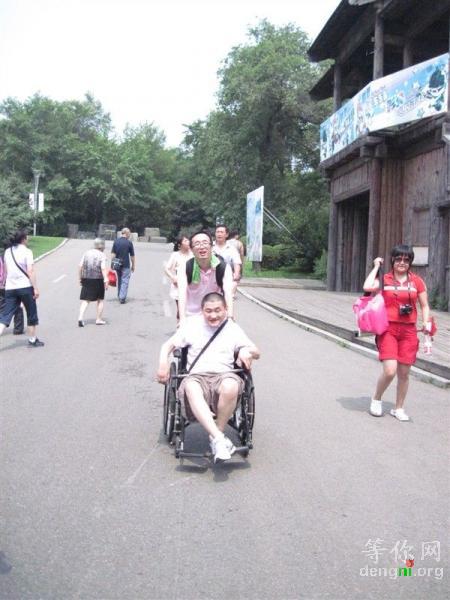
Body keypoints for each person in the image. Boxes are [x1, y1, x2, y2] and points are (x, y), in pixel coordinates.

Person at [157, 292, 260, 463]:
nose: (213, 315)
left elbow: (256, 351)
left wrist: (246, 351)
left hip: (224, 375)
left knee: (231, 386)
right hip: (197, 376)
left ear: (225, 309)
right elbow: (167, 345)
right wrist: (163, 363)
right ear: (202, 311)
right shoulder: (192, 326)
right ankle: (219, 439)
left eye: (218, 310)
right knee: (191, 387)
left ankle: (216, 437)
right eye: (209, 311)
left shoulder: (232, 328)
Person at [363, 244, 430, 421]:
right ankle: (376, 399)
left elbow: (424, 305)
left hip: (409, 331)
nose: (402, 262)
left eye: (406, 260)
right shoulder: (384, 279)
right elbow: (367, 286)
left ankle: (398, 408)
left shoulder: (417, 281)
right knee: (390, 370)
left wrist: (426, 322)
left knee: (404, 373)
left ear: (410, 262)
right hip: (388, 330)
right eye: (398, 259)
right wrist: (376, 266)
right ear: (392, 260)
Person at [177, 230, 234, 322]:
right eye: (197, 243)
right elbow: (181, 294)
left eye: (205, 243)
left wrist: (230, 316)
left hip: (215, 316)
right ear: (191, 249)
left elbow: (228, 293)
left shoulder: (223, 267)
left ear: (212, 246)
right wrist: (182, 319)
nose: (202, 246)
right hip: (191, 316)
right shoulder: (185, 268)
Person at [0, 230, 44, 347]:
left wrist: (5, 284)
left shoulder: (8, 252)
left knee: (5, 315)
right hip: (25, 287)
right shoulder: (27, 252)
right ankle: (32, 339)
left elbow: (6, 271)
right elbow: (30, 271)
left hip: (10, 288)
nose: (28, 239)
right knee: (31, 313)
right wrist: (35, 288)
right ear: (23, 239)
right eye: (27, 237)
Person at [78, 238, 109, 327]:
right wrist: (106, 279)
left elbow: (80, 266)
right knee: (100, 300)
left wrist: (80, 278)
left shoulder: (86, 253)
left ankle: (80, 318)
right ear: (102, 246)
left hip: (86, 278)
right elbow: (103, 268)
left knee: (86, 300)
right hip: (98, 279)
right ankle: (98, 319)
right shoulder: (102, 255)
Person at [164, 234, 193, 321]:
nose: (188, 242)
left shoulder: (193, 254)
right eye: (185, 241)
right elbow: (167, 269)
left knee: (190, 309)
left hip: (192, 284)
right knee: (181, 308)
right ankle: (179, 325)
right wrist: (173, 277)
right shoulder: (175, 255)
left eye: (188, 240)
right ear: (180, 245)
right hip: (179, 285)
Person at [0, 242, 25, 335]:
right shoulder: (13, 257)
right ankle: (18, 328)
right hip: (12, 285)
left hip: (1, 286)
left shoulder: (1, 257)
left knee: (1, 306)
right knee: (17, 306)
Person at [213, 225, 242, 297]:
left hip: (226, 276)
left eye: (221, 232)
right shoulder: (209, 246)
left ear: (226, 235)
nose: (219, 234)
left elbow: (237, 262)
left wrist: (236, 273)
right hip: (211, 276)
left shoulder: (232, 249)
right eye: (217, 232)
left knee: (227, 297)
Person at [111, 227, 135, 304]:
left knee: (120, 280)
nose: (129, 235)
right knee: (125, 281)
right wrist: (133, 265)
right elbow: (132, 256)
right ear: (127, 233)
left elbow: (113, 254)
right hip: (126, 264)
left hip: (117, 264)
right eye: (129, 234)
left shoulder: (116, 241)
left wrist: (113, 264)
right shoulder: (129, 243)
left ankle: (120, 295)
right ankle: (122, 297)